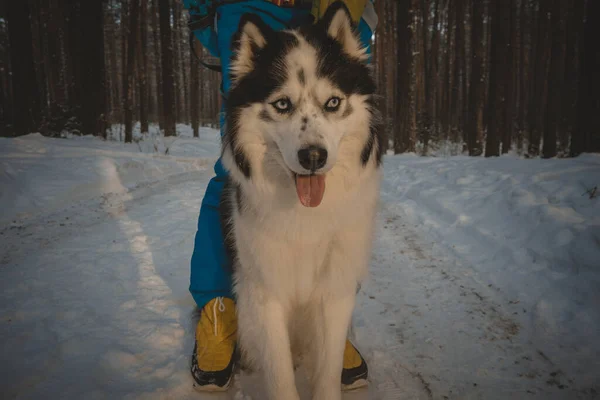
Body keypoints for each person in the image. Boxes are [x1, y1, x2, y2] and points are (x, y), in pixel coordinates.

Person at [182, 0, 378, 392]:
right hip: (244, 8)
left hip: (330, 5)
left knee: (346, 189)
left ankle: (325, 333)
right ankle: (219, 307)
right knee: (237, 174)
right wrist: (202, 10)